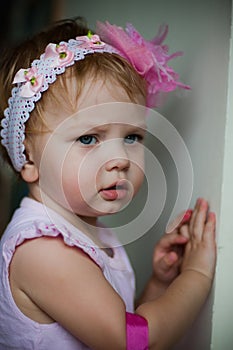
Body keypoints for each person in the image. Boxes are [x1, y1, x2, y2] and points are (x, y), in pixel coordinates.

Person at [0, 17, 216, 350]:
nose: (120, 159)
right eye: (88, 138)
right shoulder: (42, 251)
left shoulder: (91, 232)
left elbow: (123, 320)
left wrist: (160, 284)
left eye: (131, 136)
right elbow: (131, 342)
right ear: (29, 160)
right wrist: (197, 277)